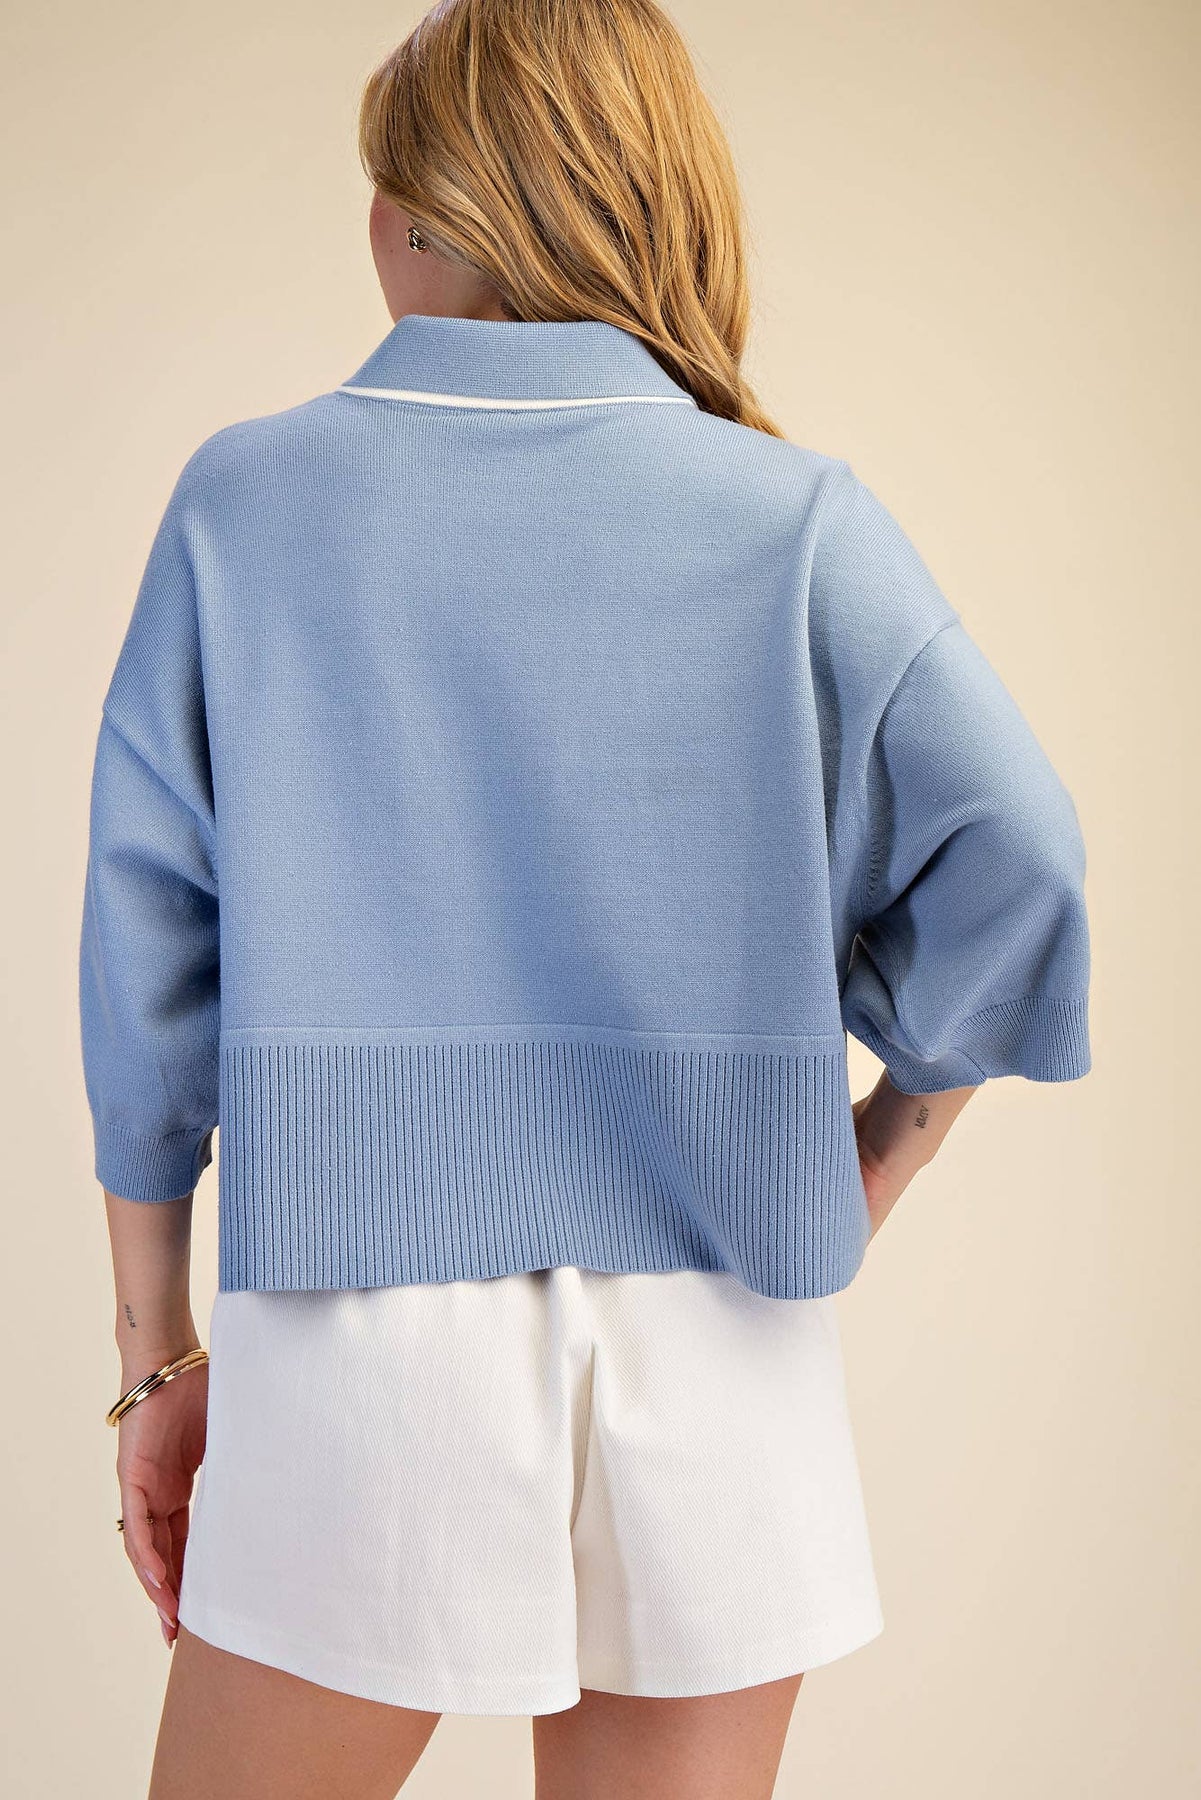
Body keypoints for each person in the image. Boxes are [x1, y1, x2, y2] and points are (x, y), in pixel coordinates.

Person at [78, 1, 1092, 1795]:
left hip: (358, 1331)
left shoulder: (251, 504)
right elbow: (1018, 853)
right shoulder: (792, 519)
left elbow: (151, 948)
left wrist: (157, 1362)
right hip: (726, 1341)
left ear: (424, 212)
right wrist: (873, 1155)